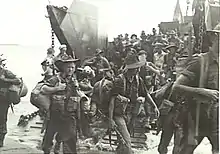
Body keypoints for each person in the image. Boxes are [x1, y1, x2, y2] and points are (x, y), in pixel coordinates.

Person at [173, 23, 219, 154]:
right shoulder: (200, 61)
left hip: (217, 118)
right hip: (197, 117)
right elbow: (177, 86)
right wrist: (202, 91)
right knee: (185, 151)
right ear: (214, 38)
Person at [109, 51, 159, 154]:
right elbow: (112, 100)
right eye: (136, 67)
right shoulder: (119, 80)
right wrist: (110, 120)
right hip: (118, 114)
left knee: (122, 142)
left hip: (131, 113)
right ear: (130, 69)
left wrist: (154, 106)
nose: (138, 69)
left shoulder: (137, 79)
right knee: (127, 141)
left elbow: (145, 93)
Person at [41, 54, 80, 154]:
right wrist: (57, 88)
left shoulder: (74, 80)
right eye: (68, 67)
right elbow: (43, 89)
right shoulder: (55, 79)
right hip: (55, 114)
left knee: (71, 137)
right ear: (63, 68)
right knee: (49, 137)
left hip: (70, 115)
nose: (71, 69)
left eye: (73, 67)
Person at [0, 56, 21, 147]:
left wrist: (5, 80)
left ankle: (1, 139)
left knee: (2, 119)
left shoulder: (5, 72)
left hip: (3, 100)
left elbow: (18, 80)